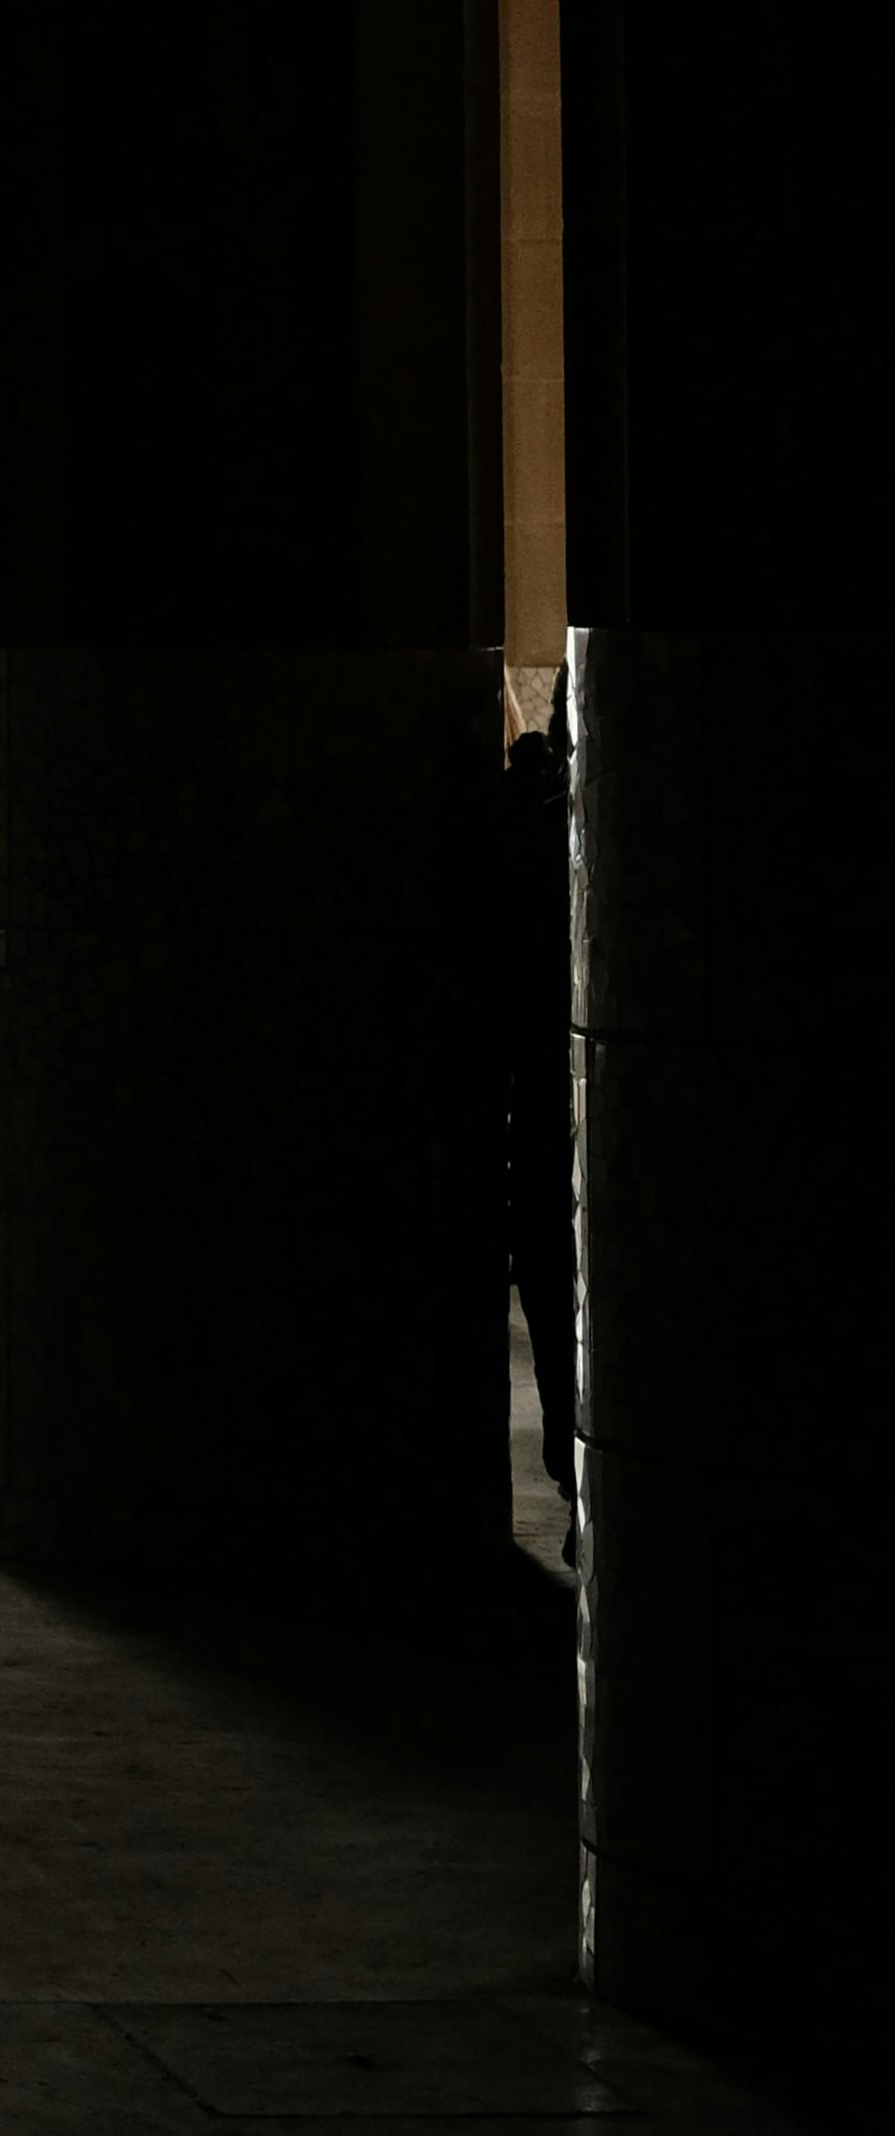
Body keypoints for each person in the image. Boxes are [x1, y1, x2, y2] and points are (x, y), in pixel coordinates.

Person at [496, 668, 577, 1558]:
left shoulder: (525, 830)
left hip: (541, 1119)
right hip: (557, 1116)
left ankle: (573, 1465)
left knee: (553, 1290)